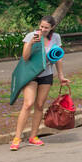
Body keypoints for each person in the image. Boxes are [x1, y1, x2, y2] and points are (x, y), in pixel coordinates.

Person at [11, 14, 70, 150]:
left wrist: (61, 75)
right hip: (31, 74)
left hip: (46, 75)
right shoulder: (31, 35)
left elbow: (58, 57)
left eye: (46, 27)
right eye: (41, 26)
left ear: (52, 27)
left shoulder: (56, 37)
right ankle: (17, 138)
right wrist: (31, 42)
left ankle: (33, 136)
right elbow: (25, 57)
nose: (43, 29)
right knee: (28, 104)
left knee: (39, 105)